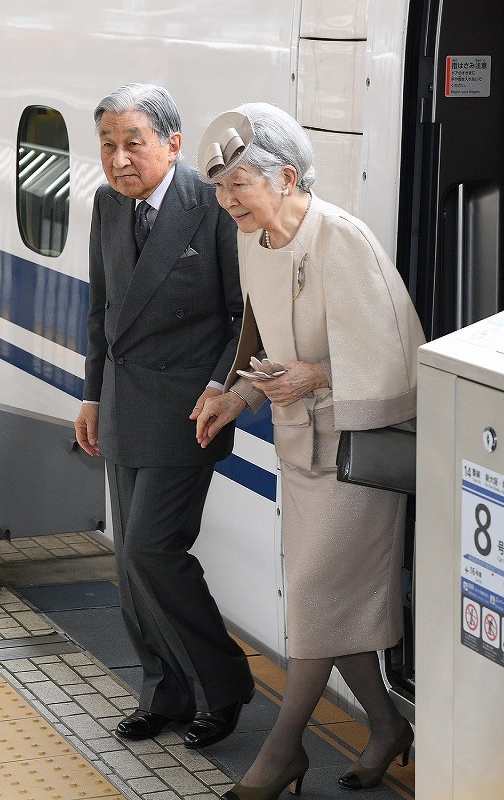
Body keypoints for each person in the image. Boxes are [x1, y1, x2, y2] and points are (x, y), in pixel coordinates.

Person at [195, 103, 426, 795]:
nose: (225, 200)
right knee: (331, 607)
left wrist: (317, 375)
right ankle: (385, 727)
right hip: (302, 453)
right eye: (219, 187)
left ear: (286, 176)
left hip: (357, 457)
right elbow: (264, 343)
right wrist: (238, 395)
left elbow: (398, 357)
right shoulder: (253, 239)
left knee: (313, 602)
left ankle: (281, 753)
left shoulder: (341, 240)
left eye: (238, 184)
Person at [74, 84, 254, 750]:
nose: (119, 159)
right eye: (108, 144)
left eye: (133, 143)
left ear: (173, 144)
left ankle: (226, 684)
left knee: (154, 548)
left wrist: (219, 389)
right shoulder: (105, 204)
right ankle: (165, 692)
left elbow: (243, 317)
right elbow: (101, 312)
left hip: (189, 407)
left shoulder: (211, 208)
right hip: (121, 401)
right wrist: (91, 395)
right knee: (130, 563)